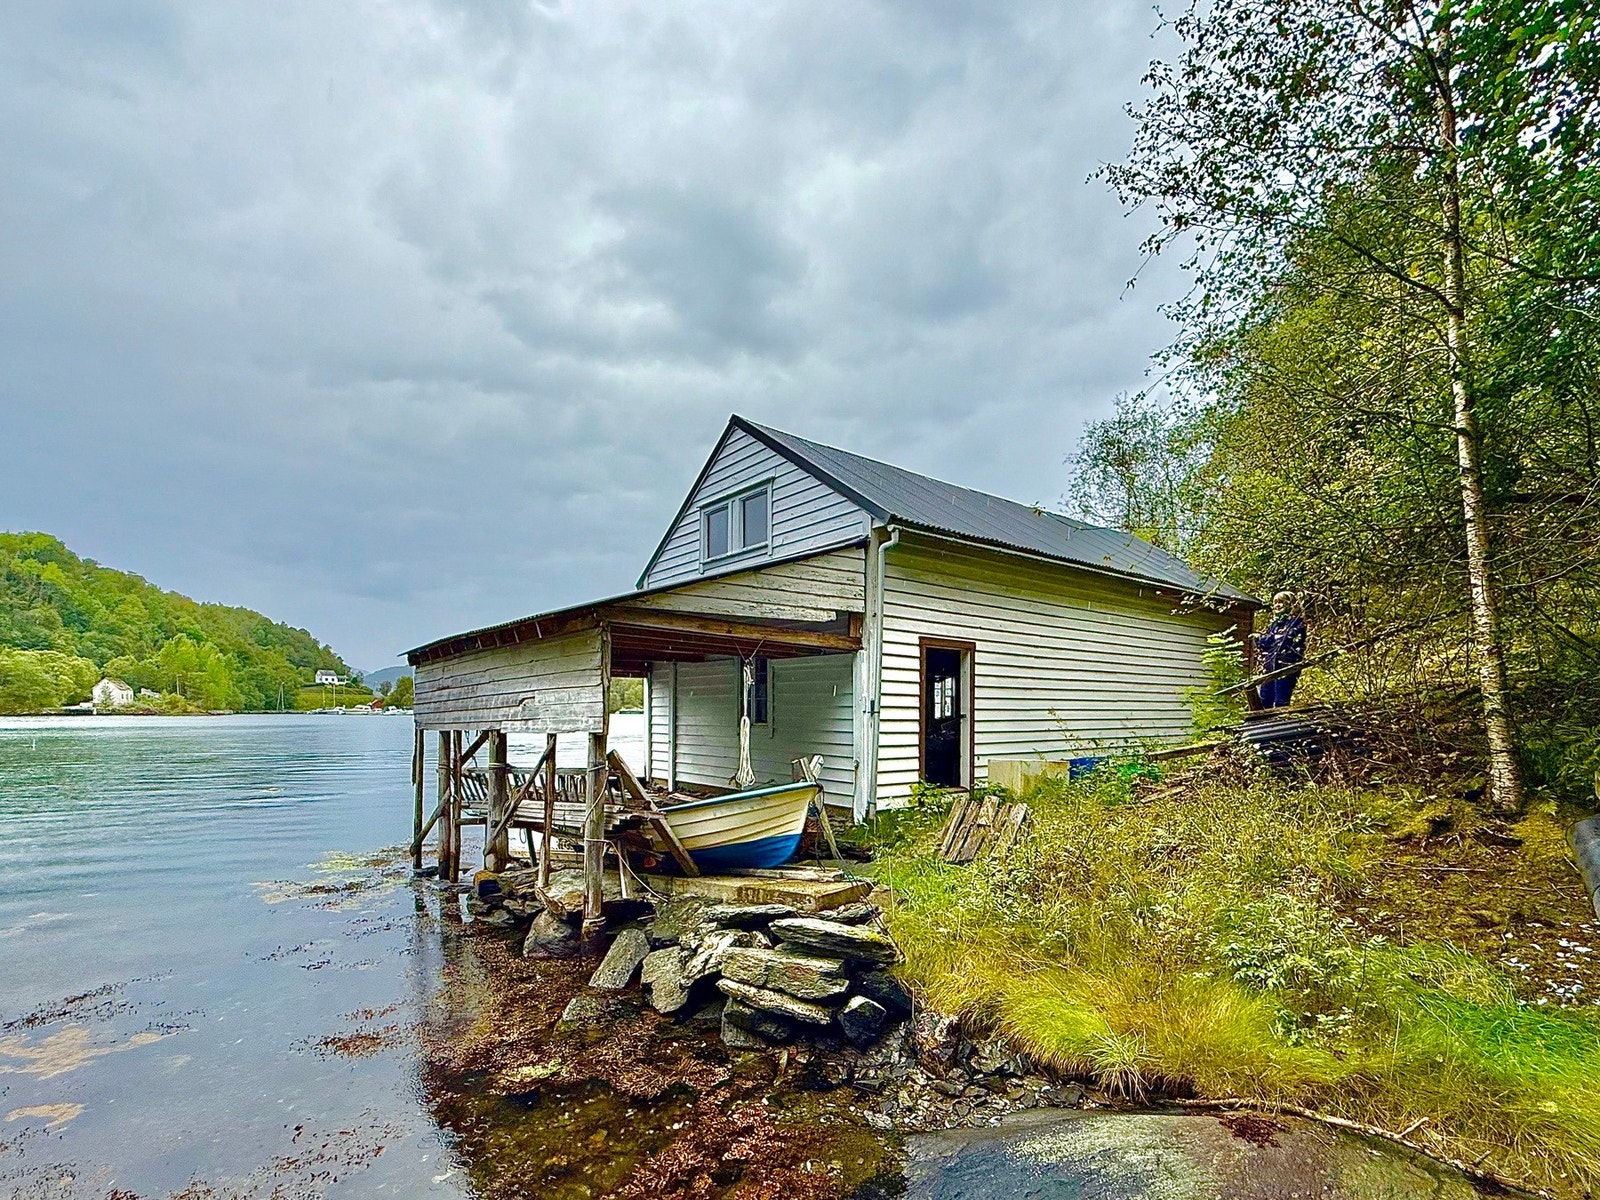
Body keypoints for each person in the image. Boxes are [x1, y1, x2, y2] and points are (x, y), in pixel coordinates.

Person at [1254, 591, 1306, 709]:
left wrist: (1274, 639)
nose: (1277, 605)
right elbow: (1264, 643)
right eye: (1275, 603)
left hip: (1286, 666)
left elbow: (1287, 640)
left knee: (1281, 700)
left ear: (1290, 604)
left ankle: (1281, 720)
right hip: (1270, 666)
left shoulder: (1297, 622)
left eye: (1281, 602)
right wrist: (1265, 639)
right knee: (1264, 700)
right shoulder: (1274, 625)